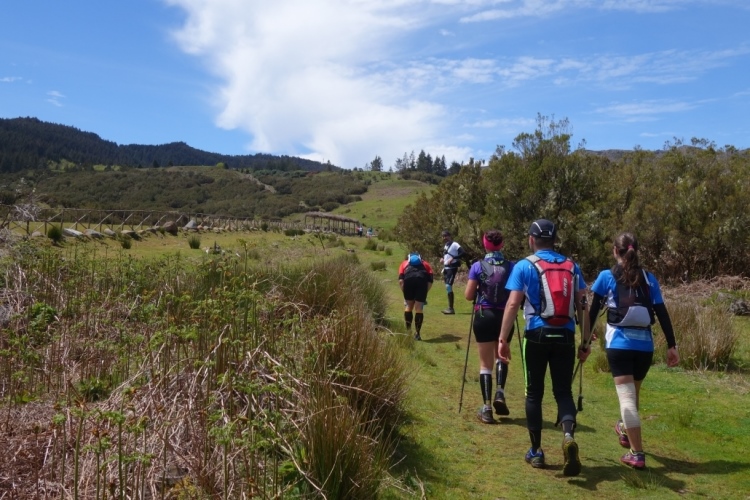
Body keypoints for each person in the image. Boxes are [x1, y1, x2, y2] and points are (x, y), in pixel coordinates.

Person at [498, 219, 589, 476]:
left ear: (531, 239)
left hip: (536, 334)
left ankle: (536, 451)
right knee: (563, 392)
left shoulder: (524, 266)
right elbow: (583, 305)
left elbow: (513, 304)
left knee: (533, 393)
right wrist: (584, 341)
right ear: (555, 240)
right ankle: (568, 436)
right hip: (565, 336)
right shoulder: (572, 266)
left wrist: (503, 339)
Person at [587, 232, 679, 470]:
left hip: (619, 345)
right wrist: (672, 345)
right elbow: (662, 312)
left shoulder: (606, 276)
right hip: (645, 348)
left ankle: (637, 453)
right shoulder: (649, 278)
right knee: (633, 394)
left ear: (614, 251)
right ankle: (625, 427)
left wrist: (586, 338)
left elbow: (593, 310)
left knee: (627, 398)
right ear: (635, 250)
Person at [464, 230, 514, 424]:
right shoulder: (511, 266)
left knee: (485, 365)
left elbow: (468, 296)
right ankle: (500, 392)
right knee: (502, 356)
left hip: (484, 315)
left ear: (485, 245)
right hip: (505, 316)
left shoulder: (478, 266)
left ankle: (486, 409)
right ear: (502, 245)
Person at [398, 252, 434, 340]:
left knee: (408, 307)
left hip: (408, 280)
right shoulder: (426, 264)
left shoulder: (404, 263)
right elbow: (430, 281)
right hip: (421, 281)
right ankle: (417, 334)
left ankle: (408, 332)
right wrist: (424, 293)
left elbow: (401, 281)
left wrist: (405, 294)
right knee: (419, 309)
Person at [440, 230, 464, 314]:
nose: (444, 238)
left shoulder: (455, 244)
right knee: (448, 287)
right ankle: (450, 308)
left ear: (449, 236)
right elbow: (445, 255)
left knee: (448, 286)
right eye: (443, 236)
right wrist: (443, 259)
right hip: (446, 268)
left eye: (446, 236)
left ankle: (451, 309)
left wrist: (454, 258)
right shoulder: (446, 246)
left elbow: (462, 253)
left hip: (452, 268)